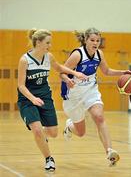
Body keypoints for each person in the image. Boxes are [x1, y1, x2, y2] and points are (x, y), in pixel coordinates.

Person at [60, 27, 131, 166]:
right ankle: (69, 126)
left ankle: (110, 151)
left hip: (90, 91)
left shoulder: (99, 54)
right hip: (73, 97)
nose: (95, 43)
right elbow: (62, 72)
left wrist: (123, 72)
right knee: (81, 133)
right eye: (92, 40)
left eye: (98, 40)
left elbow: (106, 71)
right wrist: (68, 79)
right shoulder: (77, 55)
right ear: (86, 40)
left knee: (99, 117)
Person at [17, 28, 87, 171]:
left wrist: (75, 73)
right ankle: (49, 159)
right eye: (47, 43)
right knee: (36, 130)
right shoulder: (24, 60)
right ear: (38, 42)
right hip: (27, 99)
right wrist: (32, 98)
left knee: (53, 133)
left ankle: (43, 135)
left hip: (45, 97)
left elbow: (59, 67)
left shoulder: (48, 57)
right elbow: (21, 86)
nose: (50, 45)